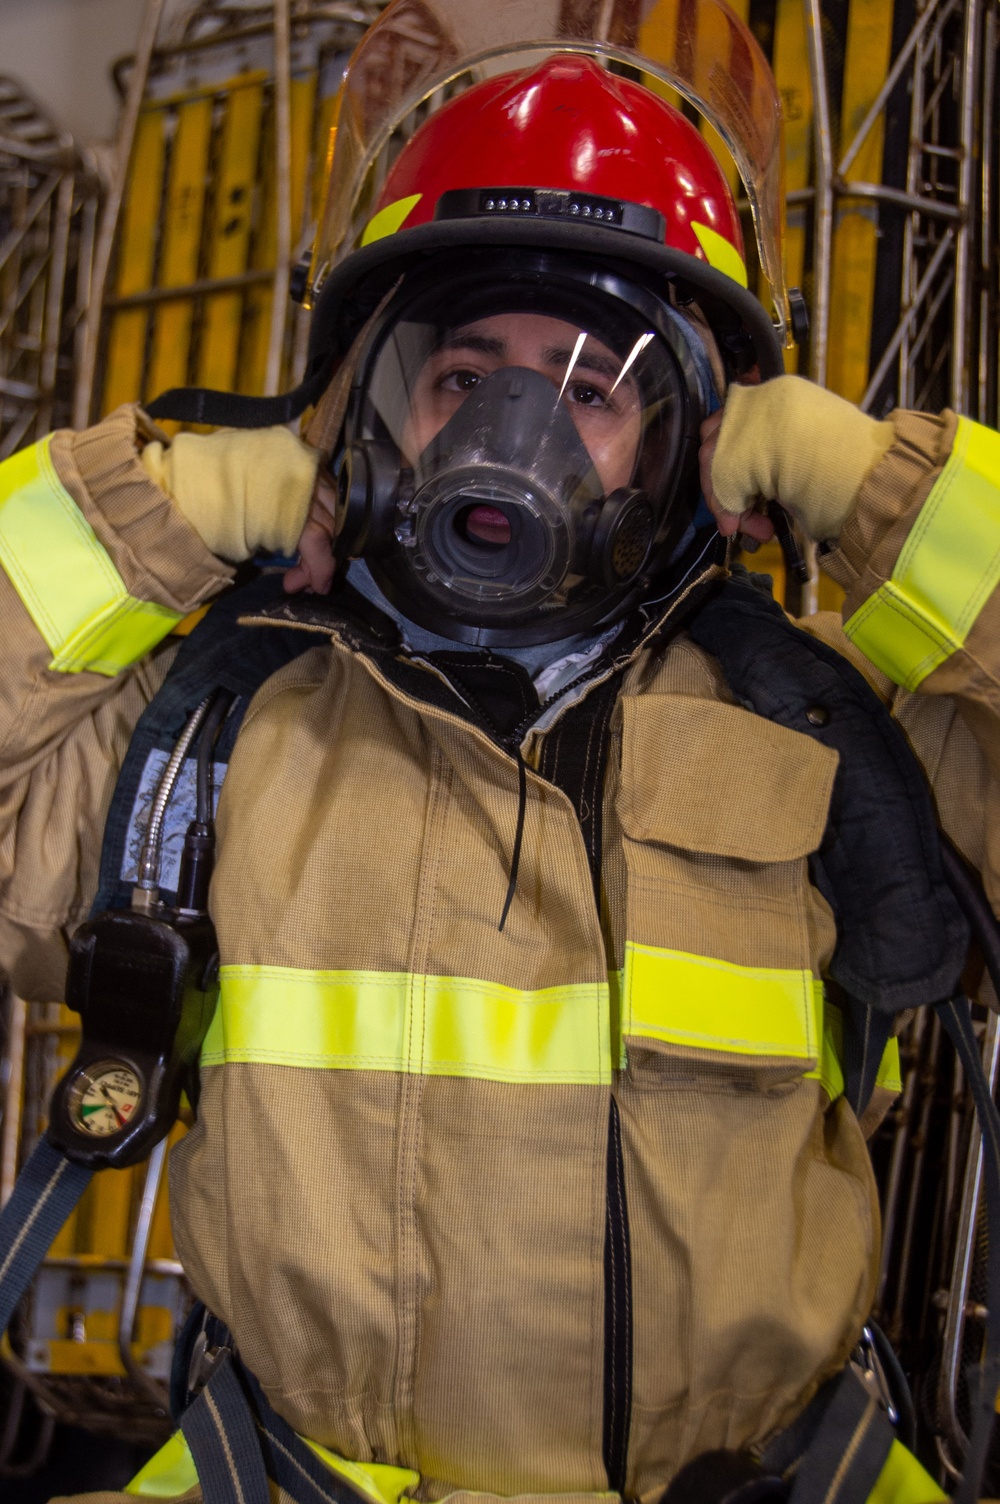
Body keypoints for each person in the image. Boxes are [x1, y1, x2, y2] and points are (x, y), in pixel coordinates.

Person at [0, 37, 996, 1504]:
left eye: (592, 384)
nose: (509, 438)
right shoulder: (227, 720)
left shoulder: (826, 719)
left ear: (695, 434)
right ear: (370, 405)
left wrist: (875, 490)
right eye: (464, 373)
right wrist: (169, 502)